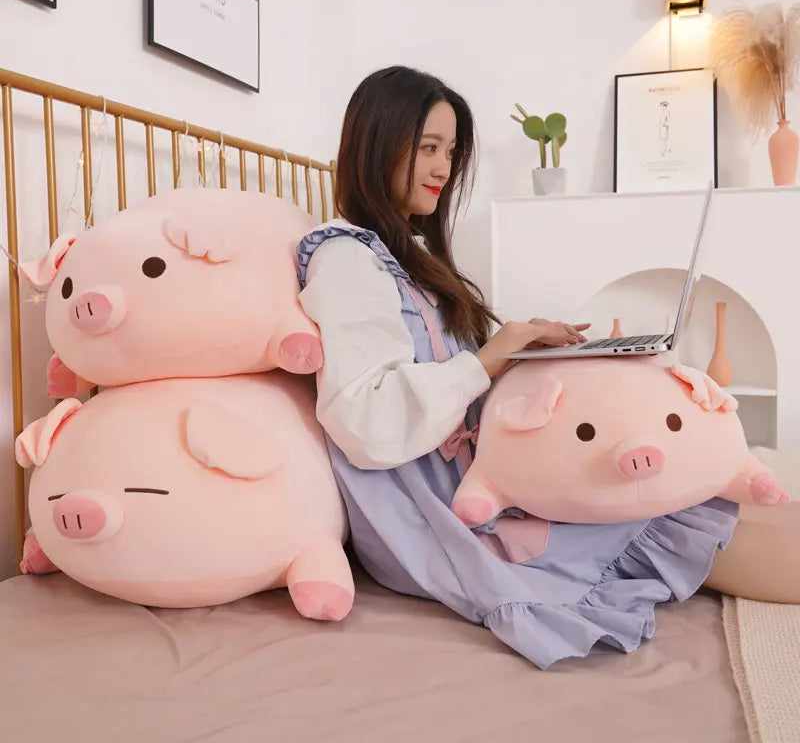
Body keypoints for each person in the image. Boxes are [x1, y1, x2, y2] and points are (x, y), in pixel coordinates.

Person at [296, 65, 799, 669]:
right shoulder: (347, 259)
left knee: (685, 473)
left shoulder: (407, 252)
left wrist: (520, 350)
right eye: (427, 147)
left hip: (472, 463)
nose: (443, 169)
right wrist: (490, 358)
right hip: (437, 500)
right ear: (376, 144)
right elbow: (365, 419)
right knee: (682, 499)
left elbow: (442, 367)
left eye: (451, 151)